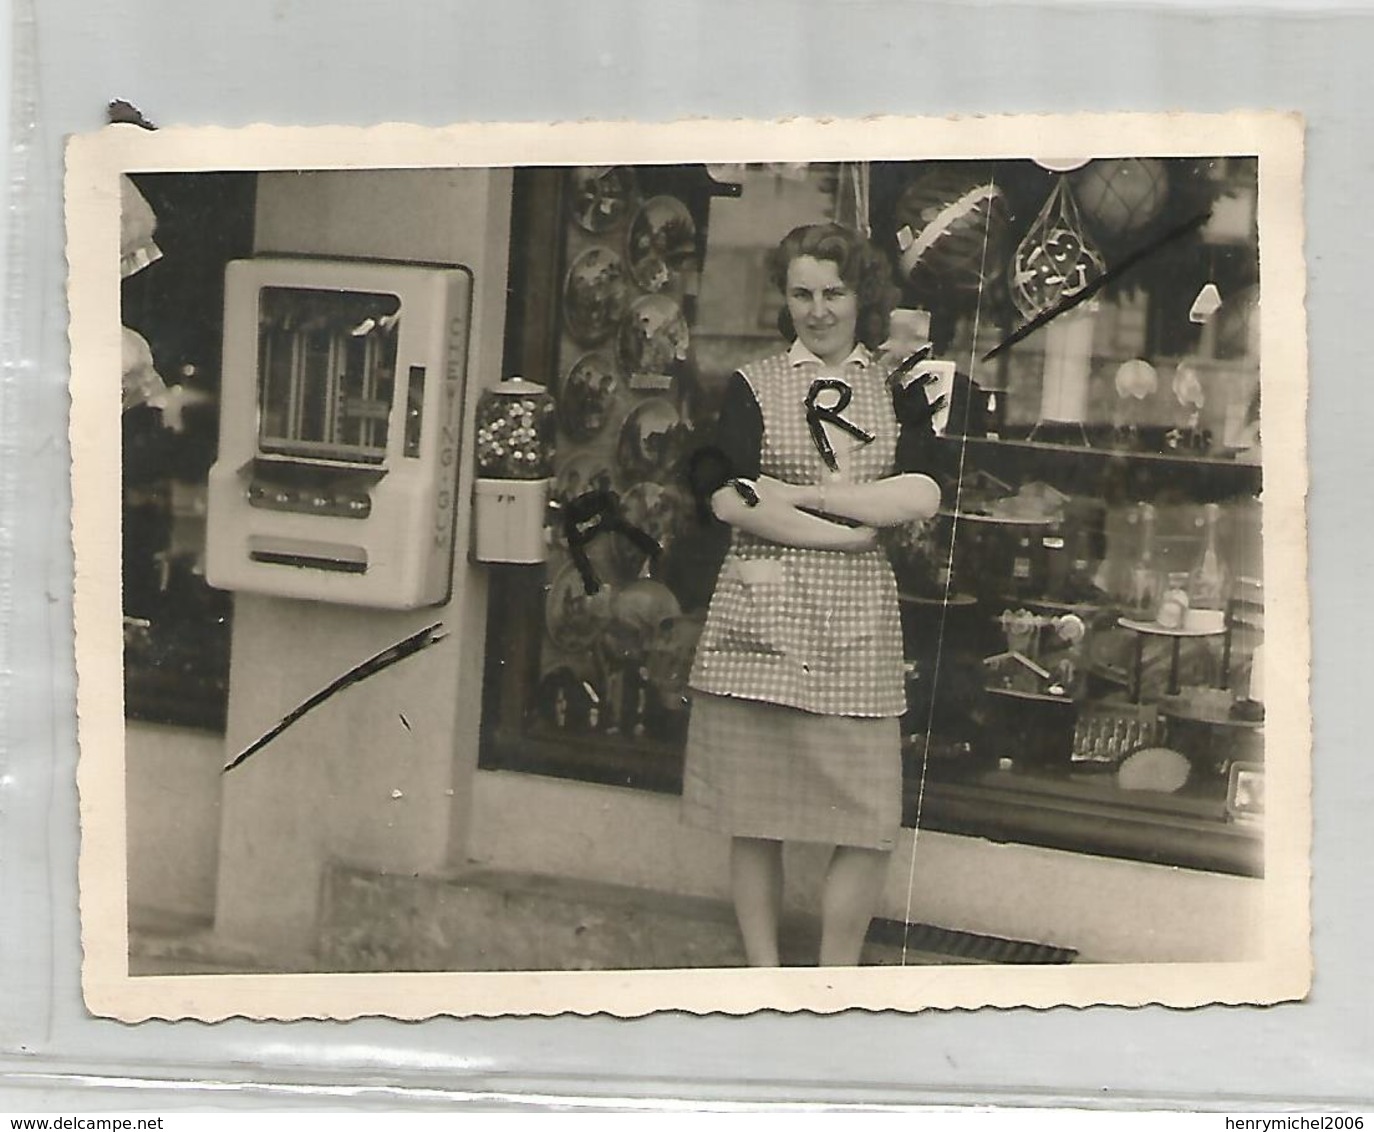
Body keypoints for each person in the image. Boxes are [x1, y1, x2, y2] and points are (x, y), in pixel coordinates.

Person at [683, 223, 943, 967]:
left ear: (863, 295)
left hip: (856, 625)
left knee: (867, 821)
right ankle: (765, 977)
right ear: (784, 299)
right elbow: (730, 501)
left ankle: (835, 981)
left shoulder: (901, 387)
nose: (818, 310)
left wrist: (797, 496)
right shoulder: (753, 384)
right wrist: (843, 528)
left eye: (834, 292)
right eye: (802, 293)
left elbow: (920, 492)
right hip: (759, 622)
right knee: (752, 814)